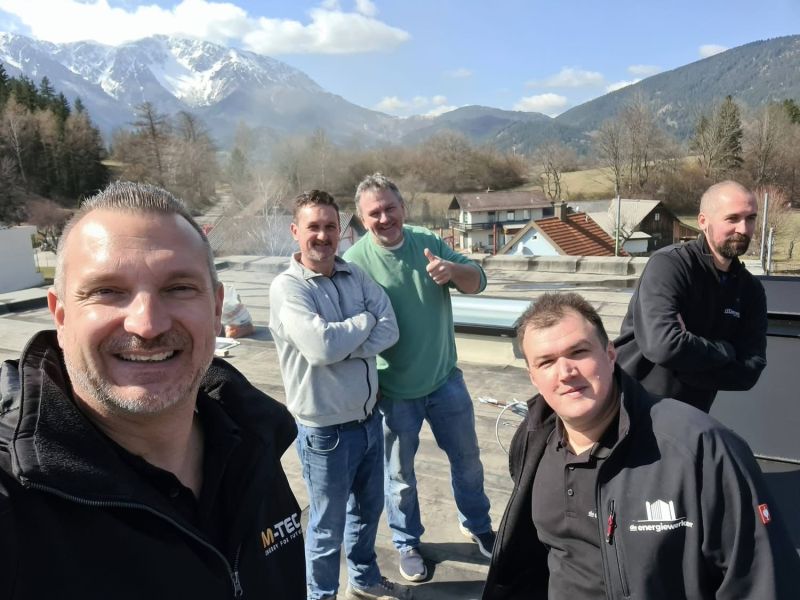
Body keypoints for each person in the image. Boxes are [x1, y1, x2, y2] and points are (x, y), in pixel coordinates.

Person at [0, 182, 305, 599]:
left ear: (216, 309)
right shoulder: (14, 505)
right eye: (107, 291)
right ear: (61, 316)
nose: (147, 325)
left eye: (178, 288)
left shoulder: (255, 442)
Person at [483, 292, 799, 600]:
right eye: (547, 362)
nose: (565, 372)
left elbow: (763, 581)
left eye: (578, 352)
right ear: (533, 377)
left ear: (610, 355)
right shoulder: (533, 441)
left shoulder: (699, 448)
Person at [343, 173, 494, 582]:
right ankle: (407, 541)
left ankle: (478, 524)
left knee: (468, 462)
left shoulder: (427, 240)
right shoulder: (354, 263)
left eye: (390, 208)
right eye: (374, 213)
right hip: (393, 392)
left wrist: (452, 270)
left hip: (445, 380)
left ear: (403, 208)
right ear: (361, 219)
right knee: (399, 478)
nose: (384, 218)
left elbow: (478, 282)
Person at [269, 190, 410, 600]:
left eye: (330, 226)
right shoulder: (288, 287)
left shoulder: (354, 274)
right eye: (313, 226)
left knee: (367, 513)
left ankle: (363, 581)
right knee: (326, 528)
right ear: (295, 231)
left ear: (340, 231)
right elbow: (320, 348)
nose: (323, 235)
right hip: (325, 433)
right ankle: (322, 595)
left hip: (368, 422)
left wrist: (343, 341)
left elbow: (390, 329)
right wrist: (364, 321)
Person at [615, 180, 767, 412]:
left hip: (689, 418)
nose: (744, 229)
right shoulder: (671, 265)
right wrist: (727, 351)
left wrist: (684, 359)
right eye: (732, 218)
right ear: (703, 221)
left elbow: (750, 371)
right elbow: (663, 346)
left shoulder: (750, 289)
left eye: (751, 218)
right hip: (630, 408)